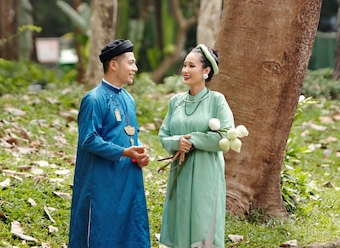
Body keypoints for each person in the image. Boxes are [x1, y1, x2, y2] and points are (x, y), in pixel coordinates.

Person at [68, 39, 151, 248]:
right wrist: (124, 151)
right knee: (102, 232)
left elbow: (129, 135)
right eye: (131, 63)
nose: (135, 68)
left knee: (130, 230)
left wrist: (139, 152)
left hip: (128, 179)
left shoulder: (129, 99)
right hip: (102, 183)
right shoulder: (94, 99)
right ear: (114, 65)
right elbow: (88, 139)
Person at [158, 44, 234, 248]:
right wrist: (177, 142)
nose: (185, 70)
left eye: (191, 66)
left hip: (205, 172)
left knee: (203, 219)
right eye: (184, 65)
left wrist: (192, 140)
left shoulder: (217, 101)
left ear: (206, 71)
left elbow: (225, 136)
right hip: (179, 172)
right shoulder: (176, 102)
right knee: (179, 218)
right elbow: (164, 135)